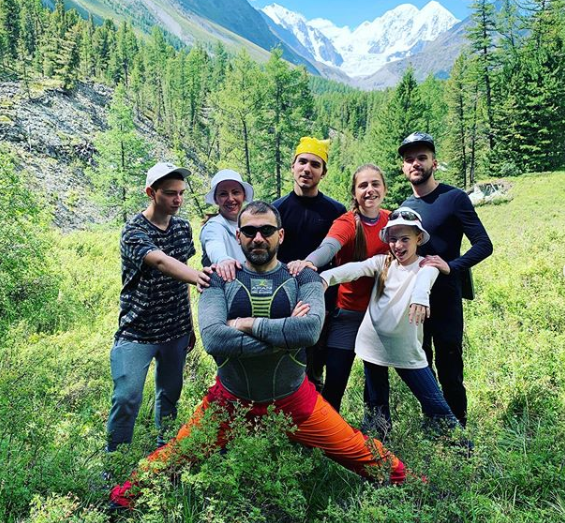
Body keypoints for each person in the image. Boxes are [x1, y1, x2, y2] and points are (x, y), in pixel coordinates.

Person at [109, 201, 407, 509]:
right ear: (238, 236)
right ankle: (116, 501)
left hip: (295, 399)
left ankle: (416, 485)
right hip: (229, 401)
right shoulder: (218, 279)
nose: (258, 238)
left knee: (364, 454)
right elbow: (214, 339)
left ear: (281, 235)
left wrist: (245, 324)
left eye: (266, 231)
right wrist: (286, 333)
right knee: (167, 461)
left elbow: (309, 332)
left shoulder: (303, 277)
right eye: (250, 231)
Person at [319, 208, 462, 439]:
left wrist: (419, 298)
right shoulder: (382, 263)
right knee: (377, 405)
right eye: (393, 239)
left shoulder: (426, 266)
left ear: (418, 239)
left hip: (406, 350)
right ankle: (379, 449)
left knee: (436, 405)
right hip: (371, 345)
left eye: (405, 239)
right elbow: (354, 270)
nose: (398, 245)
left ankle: (462, 449)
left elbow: (424, 282)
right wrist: (326, 278)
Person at [106, 162, 210, 452]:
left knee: (170, 395)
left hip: (175, 329)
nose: (177, 200)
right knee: (126, 397)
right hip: (137, 330)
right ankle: (115, 463)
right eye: (169, 194)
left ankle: (164, 454)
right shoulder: (133, 231)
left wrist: (188, 325)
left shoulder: (181, 227)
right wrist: (200, 279)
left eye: (180, 193)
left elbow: (181, 269)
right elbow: (162, 261)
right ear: (150, 192)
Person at [400, 132, 493, 427]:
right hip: (415, 301)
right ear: (404, 167)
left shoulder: (453, 198)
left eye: (422, 157)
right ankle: (433, 421)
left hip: (446, 297)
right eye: (410, 159)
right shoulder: (405, 207)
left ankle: (458, 430)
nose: (416, 163)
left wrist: (452, 266)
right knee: (421, 361)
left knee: (450, 364)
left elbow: (483, 244)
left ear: (434, 163)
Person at [287, 164, 390, 413]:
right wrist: (311, 261)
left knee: (377, 380)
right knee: (336, 377)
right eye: (363, 185)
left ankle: (378, 432)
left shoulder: (392, 220)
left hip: (378, 314)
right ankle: (325, 433)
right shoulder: (347, 222)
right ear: (354, 193)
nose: (369, 190)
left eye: (375, 184)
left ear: (384, 189)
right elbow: (329, 247)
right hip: (348, 313)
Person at [273, 137, 346, 390]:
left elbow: (340, 258)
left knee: (315, 368)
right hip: (282, 301)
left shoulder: (335, 211)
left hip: (322, 303)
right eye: (302, 162)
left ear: (323, 173)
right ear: (292, 166)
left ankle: (316, 422)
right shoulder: (276, 210)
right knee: (283, 365)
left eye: (315, 164)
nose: (307, 169)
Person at [200, 169, 254, 281]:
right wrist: (222, 260)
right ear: (216, 199)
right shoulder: (213, 226)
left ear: (243, 196)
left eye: (236, 192)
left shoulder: (252, 225)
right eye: (223, 194)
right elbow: (214, 245)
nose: (230, 199)